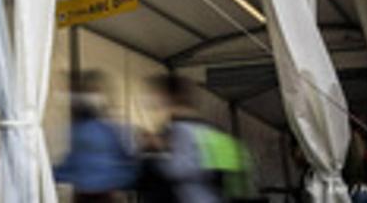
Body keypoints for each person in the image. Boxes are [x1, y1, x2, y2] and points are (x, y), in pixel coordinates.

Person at [142, 74, 253, 203]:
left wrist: (154, 150)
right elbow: (238, 182)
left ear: (170, 97)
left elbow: (163, 177)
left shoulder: (170, 134)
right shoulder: (218, 134)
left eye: (155, 95)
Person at [54, 70, 137, 202]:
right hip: (84, 195)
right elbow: (71, 162)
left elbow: (129, 165)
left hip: (104, 195)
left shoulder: (114, 128)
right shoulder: (77, 129)